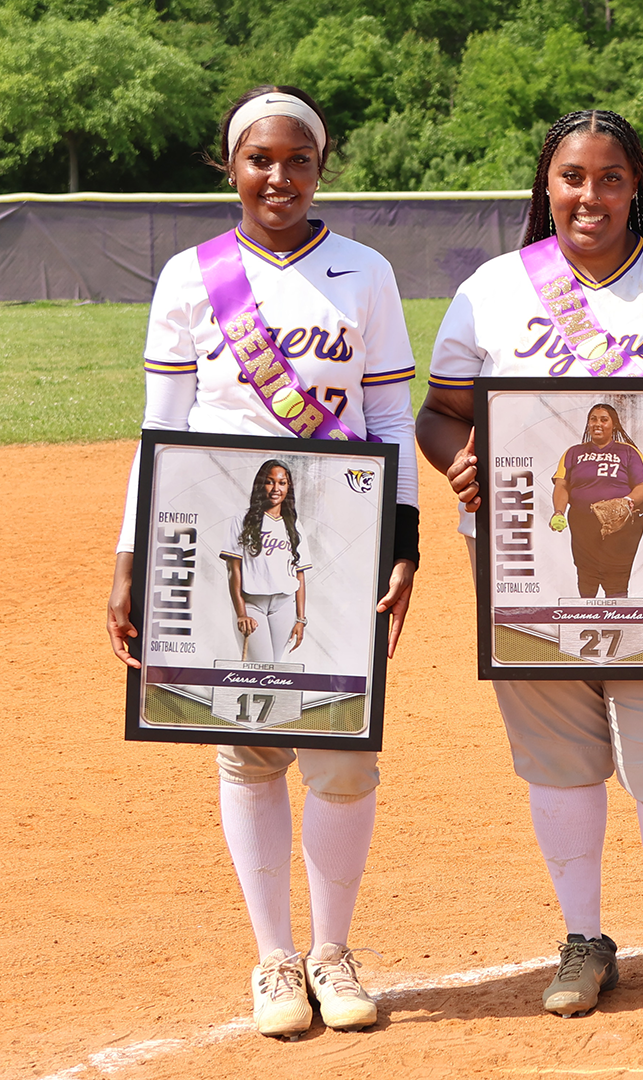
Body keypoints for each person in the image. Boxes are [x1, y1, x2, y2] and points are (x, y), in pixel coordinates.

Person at [418, 109, 643, 1017]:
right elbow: (442, 411)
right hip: (528, 565)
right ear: (548, 184)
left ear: (637, 186)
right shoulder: (493, 291)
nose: (591, 195)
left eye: (610, 178)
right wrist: (456, 461)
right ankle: (582, 938)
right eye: (573, 176)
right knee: (556, 757)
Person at [104, 85, 421, 1038]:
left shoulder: (363, 273)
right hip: (225, 532)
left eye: (298, 160)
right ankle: (274, 958)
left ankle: (333, 948)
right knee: (246, 743)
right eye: (259, 159)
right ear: (230, 166)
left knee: (342, 749)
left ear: (321, 167)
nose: (278, 177)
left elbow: (392, 419)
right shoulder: (189, 277)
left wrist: (401, 544)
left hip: (340, 535)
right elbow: (162, 431)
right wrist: (130, 553)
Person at [550, 402, 643, 598]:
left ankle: (616, 620)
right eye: (593, 419)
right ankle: (588, 617)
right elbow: (562, 485)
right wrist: (558, 511)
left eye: (604, 419)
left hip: (622, 524)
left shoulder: (628, 452)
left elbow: (642, 486)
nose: (598, 424)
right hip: (583, 522)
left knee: (616, 576)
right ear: (588, 424)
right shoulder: (573, 453)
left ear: (613, 424)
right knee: (586, 574)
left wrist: (626, 502)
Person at [223, 461, 312, 662]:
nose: (276, 489)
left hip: (284, 604)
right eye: (270, 482)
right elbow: (233, 569)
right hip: (253, 602)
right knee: (261, 665)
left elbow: (300, 574)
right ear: (260, 485)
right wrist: (240, 613)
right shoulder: (243, 519)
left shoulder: (294, 524)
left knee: (276, 665)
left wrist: (300, 619)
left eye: (282, 483)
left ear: (288, 487)